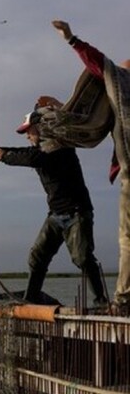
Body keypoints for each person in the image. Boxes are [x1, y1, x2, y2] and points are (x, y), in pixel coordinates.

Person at [0, 117, 108, 307]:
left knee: (82, 258)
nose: (28, 136)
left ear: (42, 129)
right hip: (55, 215)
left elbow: (32, 159)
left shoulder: (61, 149)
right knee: (37, 256)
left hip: (77, 214)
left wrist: (3, 156)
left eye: (30, 131)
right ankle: (31, 298)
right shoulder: (41, 149)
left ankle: (101, 301)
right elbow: (24, 152)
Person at [52, 20, 130, 316]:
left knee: (127, 238)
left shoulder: (122, 84)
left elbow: (101, 66)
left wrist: (72, 39)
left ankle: (122, 302)